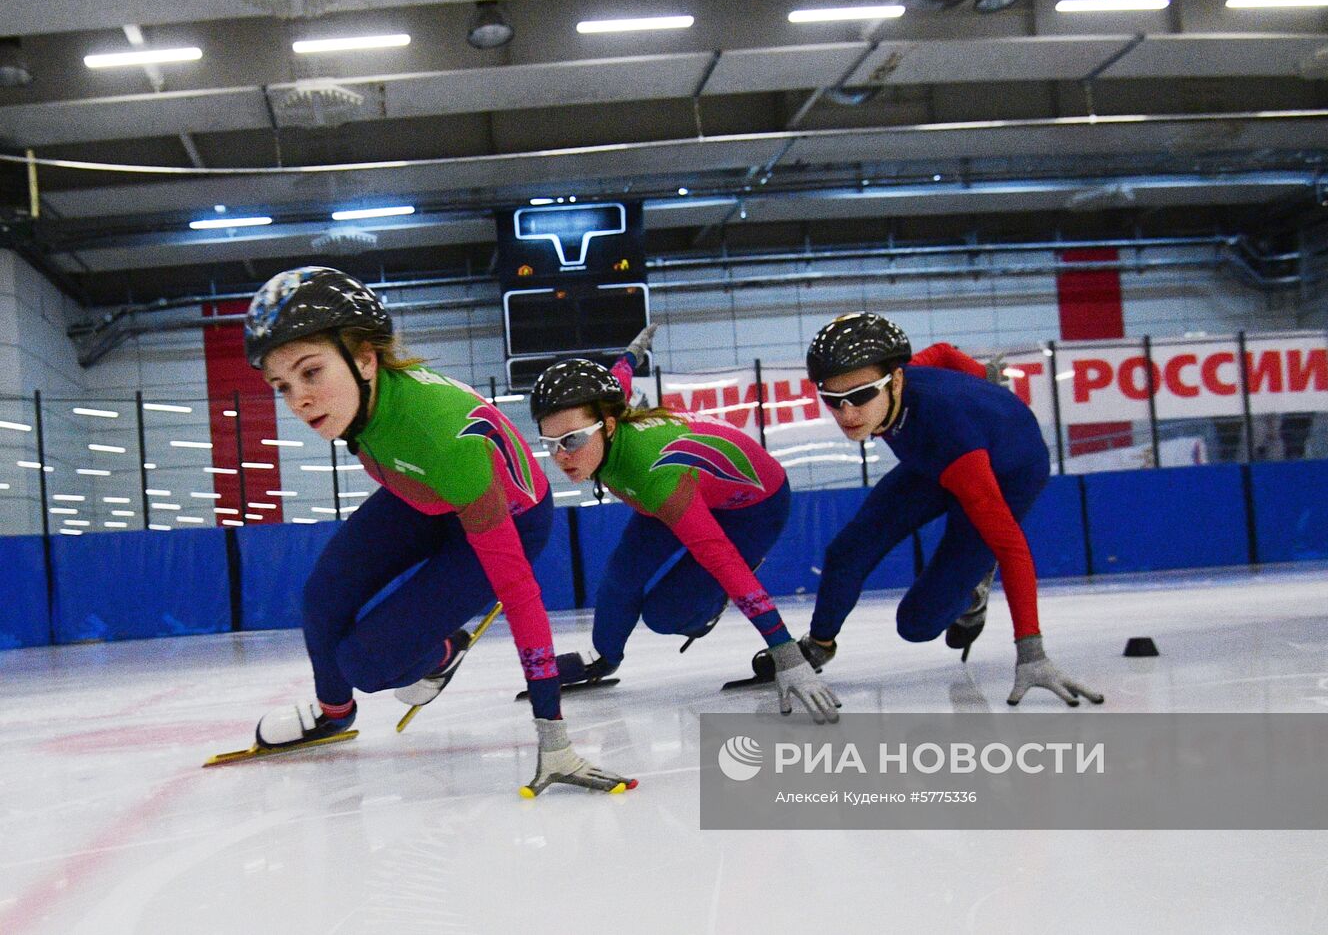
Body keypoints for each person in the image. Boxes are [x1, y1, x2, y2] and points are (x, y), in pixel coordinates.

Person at [241, 266, 636, 795]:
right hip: (423, 492)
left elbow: (521, 596)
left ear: (364, 358)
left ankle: (441, 653)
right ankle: (333, 714)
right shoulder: (360, 402)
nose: (298, 401)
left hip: (502, 513)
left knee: (368, 662)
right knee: (321, 600)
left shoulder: (441, 437)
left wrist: (554, 737)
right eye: (282, 385)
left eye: (311, 373)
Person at [529, 326, 840, 723]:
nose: (561, 456)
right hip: (689, 491)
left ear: (607, 427)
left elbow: (720, 557)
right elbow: (618, 376)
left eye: (571, 441)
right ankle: (604, 659)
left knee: (667, 616)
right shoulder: (605, 409)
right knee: (620, 576)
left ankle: (708, 604)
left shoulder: (652, 473)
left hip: (753, 507)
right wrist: (633, 353)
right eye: (550, 444)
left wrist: (785, 652)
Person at [795, 312, 1104, 708]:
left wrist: (1031, 651)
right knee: (847, 552)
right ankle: (819, 647)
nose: (847, 415)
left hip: (1000, 470)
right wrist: (984, 376)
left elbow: (1010, 545)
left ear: (898, 380)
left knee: (917, 624)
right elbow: (943, 352)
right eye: (833, 400)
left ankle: (971, 596)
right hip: (934, 460)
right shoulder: (900, 378)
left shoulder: (952, 438)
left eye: (861, 396)